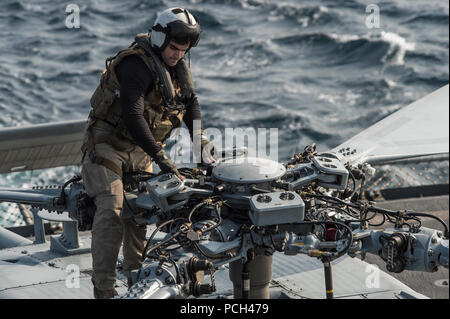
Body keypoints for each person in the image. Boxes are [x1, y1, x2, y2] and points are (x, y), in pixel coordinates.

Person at [80, 7, 213, 299]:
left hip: (140, 151)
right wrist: (162, 159)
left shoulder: (175, 64)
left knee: (141, 213)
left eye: (183, 51)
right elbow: (133, 115)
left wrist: (200, 141)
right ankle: (104, 291)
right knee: (112, 210)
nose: (178, 56)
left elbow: (191, 103)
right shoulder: (134, 66)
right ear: (159, 38)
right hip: (107, 147)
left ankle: (137, 284)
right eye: (175, 49)